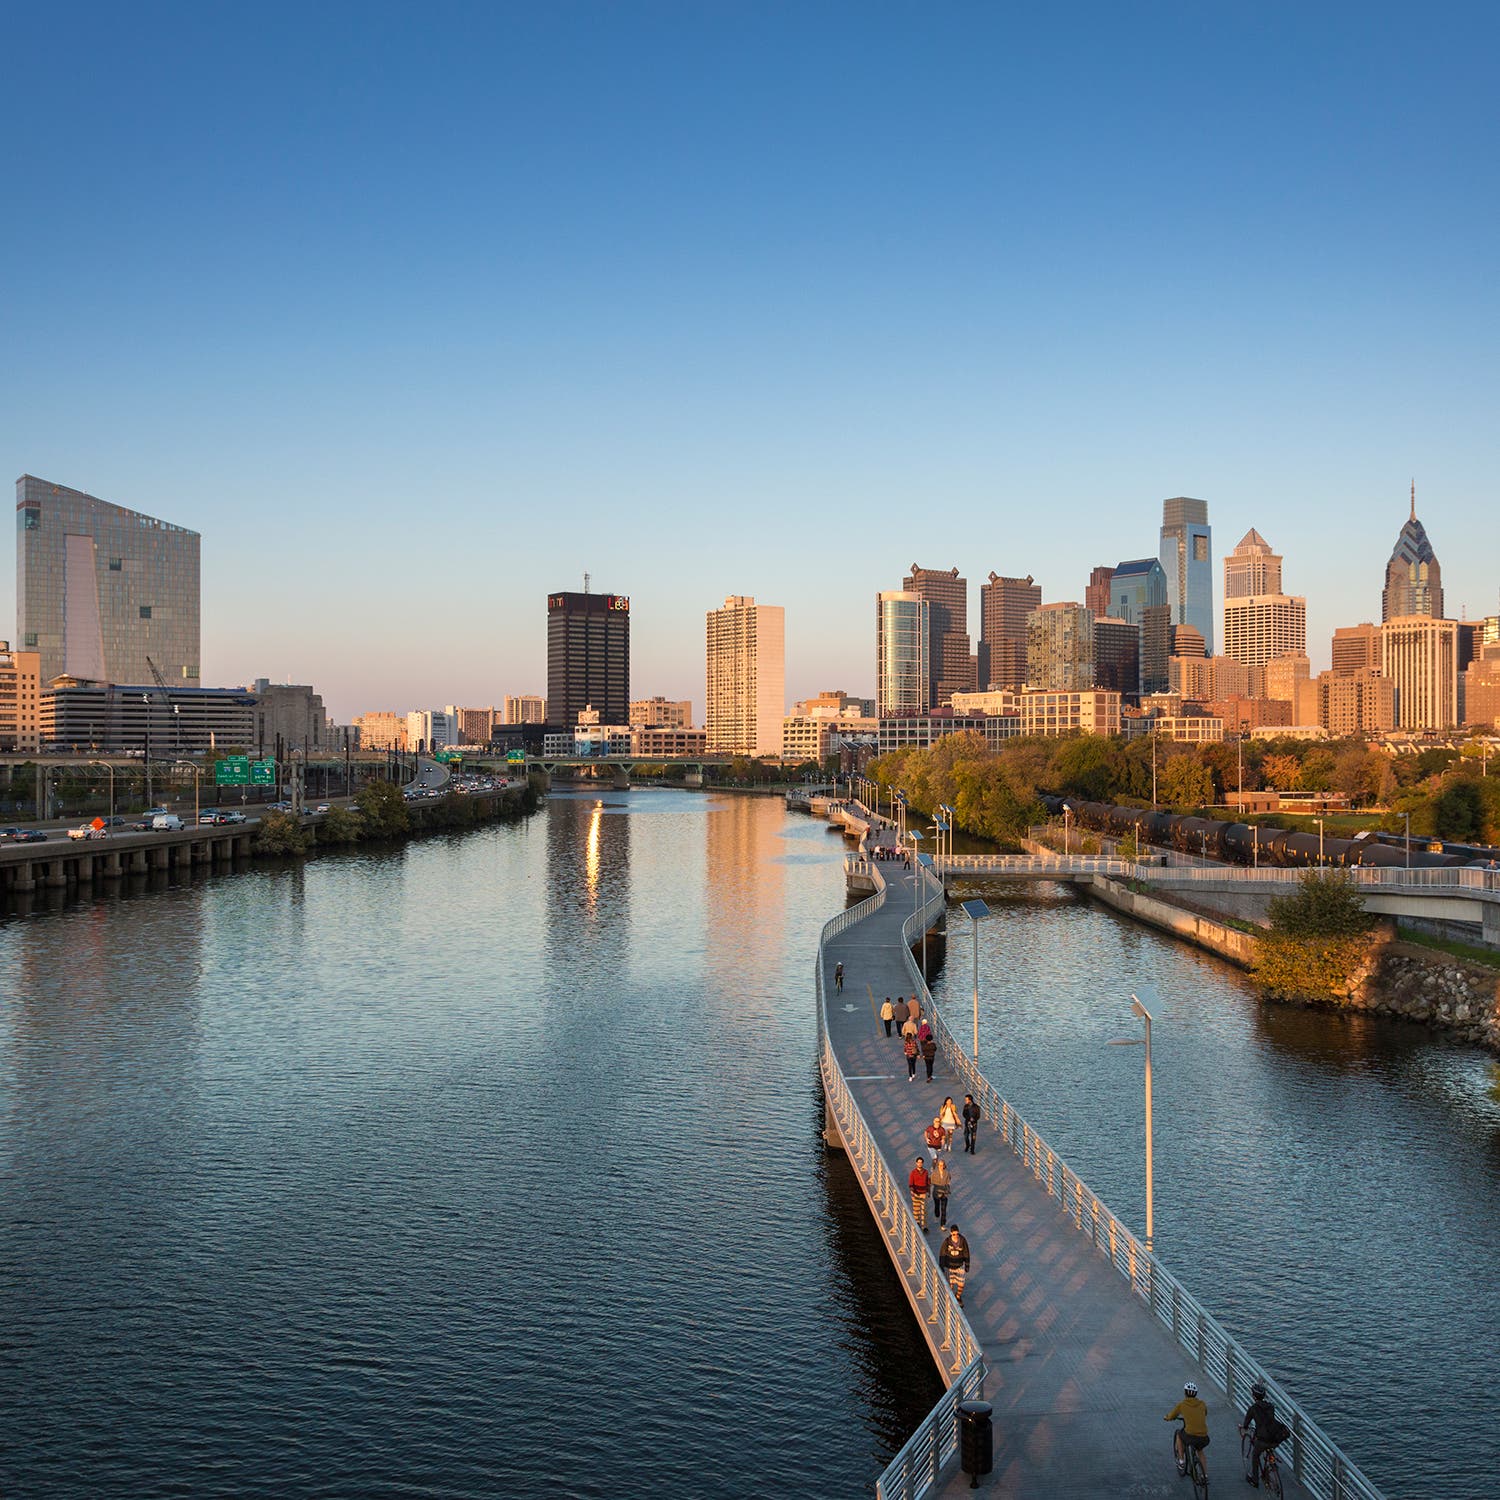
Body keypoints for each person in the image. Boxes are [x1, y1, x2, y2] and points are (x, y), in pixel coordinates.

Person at [1239, 1382, 1286, 1489]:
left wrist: (1243, 1427)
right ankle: (1271, 1464)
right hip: (1275, 1439)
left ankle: (1255, 1480)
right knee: (1269, 1448)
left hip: (1262, 1440)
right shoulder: (1271, 1407)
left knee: (1255, 1456)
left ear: (1254, 1396)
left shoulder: (1253, 1408)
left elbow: (1246, 1424)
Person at [1164, 1381, 1210, 1479]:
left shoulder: (1182, 1404)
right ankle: (1205, 1475)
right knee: (1200, 1450)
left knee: (1179, 1435)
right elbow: (1205, 1413)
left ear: (1185, 1393)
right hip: (1204, 1437)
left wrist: (1167, 1417)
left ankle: (1181, 1461)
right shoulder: (1202, 1404)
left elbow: (1172, 1415)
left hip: (1190, 1435)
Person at [939, 1224, 970, 1303]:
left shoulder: (962, 1240)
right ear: (950, 1233)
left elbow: (966, 1252)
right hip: (949, 1266)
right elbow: (942, 1254)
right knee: (950, 1284)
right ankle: (951, 1300)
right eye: (953, 1234)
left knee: (961, 1284)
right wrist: (941, 1266)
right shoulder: (947, 1241)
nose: (955, 1235)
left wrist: (967, 1265)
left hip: (959, 1265)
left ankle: (958, 1296)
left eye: (957, 1234)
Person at [909, 1156, 930, 1231]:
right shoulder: (913, 1172)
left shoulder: (926, 1172)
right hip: (916, 1193)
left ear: (922, 1163)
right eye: (918, 1162)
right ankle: (917, 1223)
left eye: (921, 1162)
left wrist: (928, 1191)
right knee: (916, 1210)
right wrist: (912, 1192)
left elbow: (928, 1183)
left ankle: (924, 1226)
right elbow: (911, 1183)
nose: (920, 1164)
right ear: (916, 1163)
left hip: (923, 1193)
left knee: (924, 1210)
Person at [930, 1156, 952, 1227]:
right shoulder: (934, 1173)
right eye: (940, 1165)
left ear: (944, 1165)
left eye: (942, 1165)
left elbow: (948, 1182)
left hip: (944, 1193)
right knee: (937, 1206)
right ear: (938, 1165)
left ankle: (943, 1224)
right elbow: (932, 1181)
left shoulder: (947, 1173)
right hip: (937, 1192)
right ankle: (937, 1216)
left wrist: (948, 1190)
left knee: (944, 1209)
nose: (941, 1166)